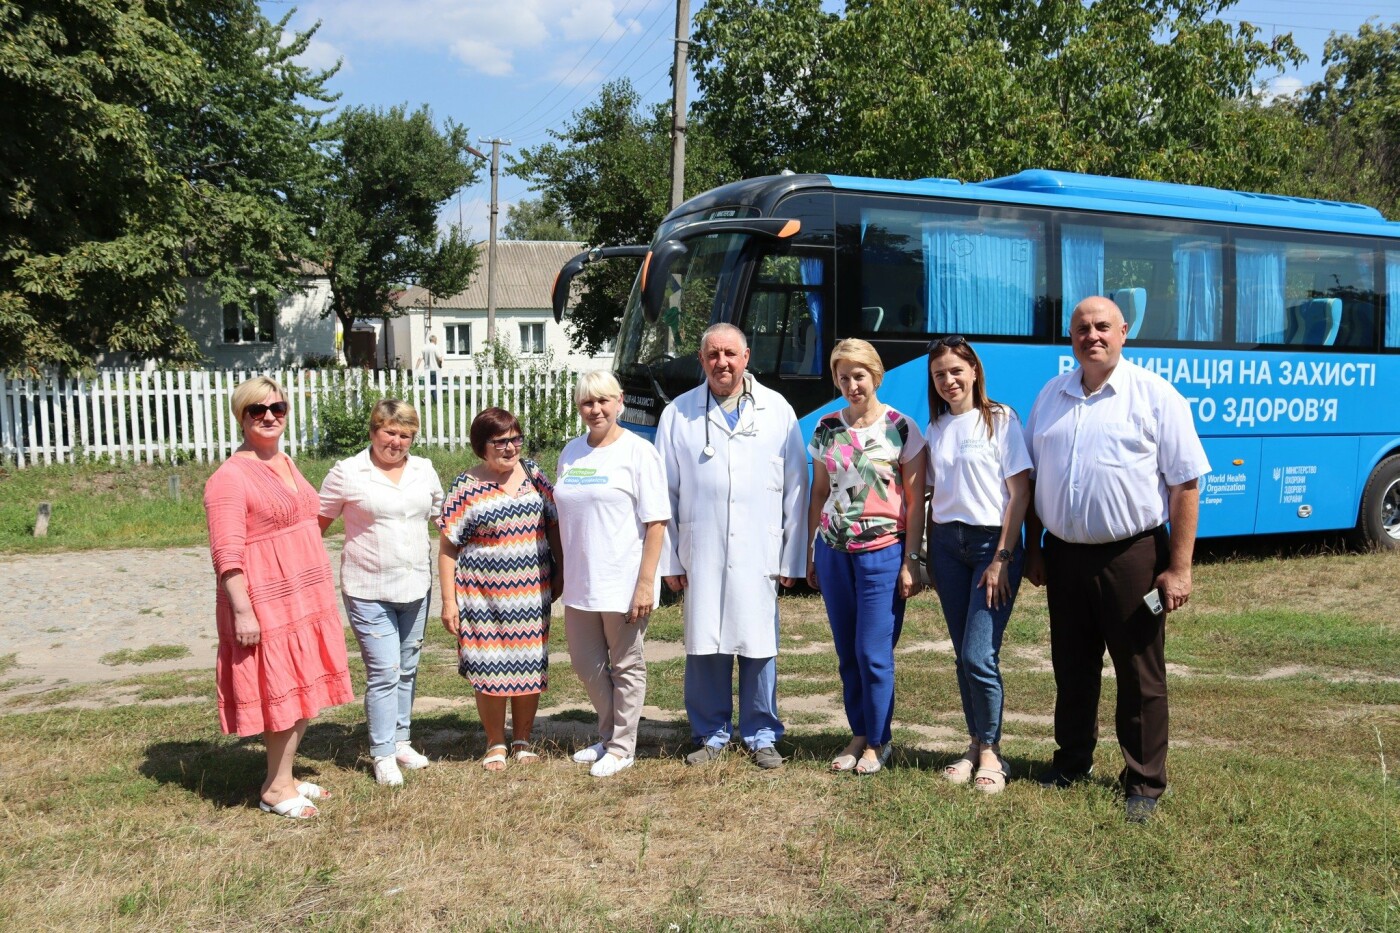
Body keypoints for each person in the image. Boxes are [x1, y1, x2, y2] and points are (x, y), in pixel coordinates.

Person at [1024, 296, 1210, 823]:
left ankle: (1145, 783)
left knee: (1139, 672)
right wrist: (1035, 546)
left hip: (1133, 557)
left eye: (1103, 326)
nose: (1093, 336)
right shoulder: (1051, 396)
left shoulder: (1155, 396)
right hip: (1063, 558)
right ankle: (1071, 763)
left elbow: (1186, 485)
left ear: (1124, 332)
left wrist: (1179, 567)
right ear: (1071, 337)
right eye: (1082, 328)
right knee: (1072, 667)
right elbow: (1033, 479)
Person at [656, 323, 809, 770]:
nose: (722, 363)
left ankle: (762, 734)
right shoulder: (679, 414)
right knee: (705, 641)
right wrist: (669, 556)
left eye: (730, 354)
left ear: (746, 358)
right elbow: (664, 492)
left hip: (759, 549)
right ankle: (710, 733)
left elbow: (796, 487)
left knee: (759, 642)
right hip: (700, 548)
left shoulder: (776, 410)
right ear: (701, 361)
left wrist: (792, 554)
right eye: (712, 355)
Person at [203, 376, 354, 819]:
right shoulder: (228, 478)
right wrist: (243, 612)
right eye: (257, 410)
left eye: (277, 409)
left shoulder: (286, 461)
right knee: (280, 693)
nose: (269, 417)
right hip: (266, 601)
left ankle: (283, 775)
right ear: (241, 416)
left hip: (304, 597)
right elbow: (226, 553)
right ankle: (275, 787)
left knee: (301, 690)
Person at [806, 339, 926, 775]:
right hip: (834, 551)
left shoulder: (902, 427)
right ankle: (859, 732)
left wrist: (911, 560)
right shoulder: (825, 428)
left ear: (875, 376)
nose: (852, 384)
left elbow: (915, 501)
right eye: (843, 377)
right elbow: (820, 492)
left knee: (873, 651)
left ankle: (878, 741)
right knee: (846, 651)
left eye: (859, 375)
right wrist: (810, 553)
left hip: (883, 553)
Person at [923, 336, 1032, 795]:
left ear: (973, 371)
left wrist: (1002, 558)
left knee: (978, 654)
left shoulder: (1001, 420)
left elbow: (1021, 491)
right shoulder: (936, 428)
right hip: (948, 545)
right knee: (961, 654)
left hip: (992, 545)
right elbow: (932, 495)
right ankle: (973, 744)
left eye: (955, 371)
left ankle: (991, 753)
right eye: (939, 375)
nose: (948, 381)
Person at [318, 400, 444, 786]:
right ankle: (382, 753)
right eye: (389, 432)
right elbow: (317, 524)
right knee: (385, 671)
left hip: (416, 586)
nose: (397, 441)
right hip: (368, 588)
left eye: (405, 435)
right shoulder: (347, 473)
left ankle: (401, 740)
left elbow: (442, 516)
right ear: (373, 431)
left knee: (406, 668)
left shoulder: (423, 469)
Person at [554, 371, 670, 778]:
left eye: (604, 400)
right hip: (580, 581)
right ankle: (607, 736)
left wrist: (644, 583)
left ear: (620, 401)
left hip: (623, 580)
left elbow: (656, 522)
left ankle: (623, 747)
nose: (596, 409)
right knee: (587, 665)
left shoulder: (639, 452)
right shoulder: (571, 452)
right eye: (588, 402)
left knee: (625, 664)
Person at [437, 407, 562, 771]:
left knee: (527, 664)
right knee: (488, 666)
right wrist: (449, 603)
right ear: (481, 446)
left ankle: (522, 738)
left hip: (531, 592)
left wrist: (562, 571)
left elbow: (553, 524)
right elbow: (447, 547)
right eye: (500, 441)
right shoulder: (465, 486)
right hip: (480, 596)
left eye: (515, 439)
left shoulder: (535, 475)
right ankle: (495, 742)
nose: (510, 448)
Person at [417, 334, 443, 402]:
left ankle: (435, 401)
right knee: (433, 386)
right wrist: (440, 365)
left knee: (430, 385)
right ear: (434, 340)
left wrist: (416, 369)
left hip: (427, 370)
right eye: (436, 340)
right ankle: (428, 399)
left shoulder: (424, 348)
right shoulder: (435, 347)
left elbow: (419, 359)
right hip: (435, 370)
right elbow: (440, 359)